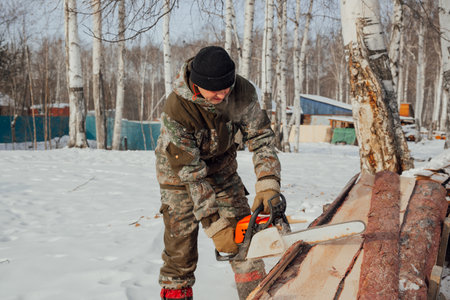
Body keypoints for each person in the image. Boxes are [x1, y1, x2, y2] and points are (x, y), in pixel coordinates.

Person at [155, 45, 281, 300]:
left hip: (222, 169)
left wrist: (268, 182)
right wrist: (214, 225)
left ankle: (254, 293)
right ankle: (177, 292)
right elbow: (191, 174)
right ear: (197, 85)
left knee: (244, 235)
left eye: (226, 88)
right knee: (180, 246)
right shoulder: (178, 108)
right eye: (215, 91)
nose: (222, 96)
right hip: (179, 174)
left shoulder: (242, 92)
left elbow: (261, 137)